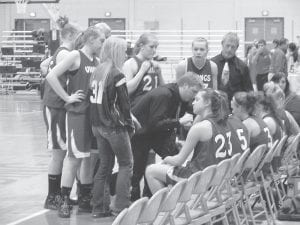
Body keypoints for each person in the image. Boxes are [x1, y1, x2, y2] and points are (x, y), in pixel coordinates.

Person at [46, 26, 105, 218]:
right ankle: (64, 200)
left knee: (89, 158)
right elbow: (51, 75)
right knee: (73, 159)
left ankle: (85, 198)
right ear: (91, 40)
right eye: (101, 41)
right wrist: (67, 97)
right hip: (78, 115)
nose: (102, 44)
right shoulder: (75, 56)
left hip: (93, 116)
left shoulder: (97, 61)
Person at [130, 73, 202, 200]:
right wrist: (179, 122)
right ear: (185, 86)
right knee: (137, 172)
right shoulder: (165, 95)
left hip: (155, 133)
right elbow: (155, 123)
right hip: (141, 134)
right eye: (194, 91)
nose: (195, 96)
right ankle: (133, 201)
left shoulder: (180, 96)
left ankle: (150, 196)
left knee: (174, 159)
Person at [145, 89, 231, 193]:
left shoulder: (200, 128)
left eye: (197, 99)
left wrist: (166, 159)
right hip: (217, 177)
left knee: (150, 170)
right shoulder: (224, 122)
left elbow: (178, 161)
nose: (193, 102)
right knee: (175, 167)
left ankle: (166, 208)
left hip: (197, 178)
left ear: (207, 103)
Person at [89, 37, 134, 217]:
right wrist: (129, 124)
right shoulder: (117, 74)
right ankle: (121, 207)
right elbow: (125, 105)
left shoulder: (97, 71)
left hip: (98, 125)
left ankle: (98, 207)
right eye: (123, 51)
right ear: (116, 51)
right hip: (113, 126)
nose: (125, 54)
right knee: (126, 164)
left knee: (104, 166)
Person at [42, 16, 81, 210]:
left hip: (57, 106)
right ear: (72, 35)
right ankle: (52, 196)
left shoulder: (60, 52)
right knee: (58, 153)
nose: (81, 37)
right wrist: (66, 97)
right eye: (79, 34)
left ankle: (57, 194)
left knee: (62, 151)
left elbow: (44, 67)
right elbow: (49, 76)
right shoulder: (66, 54)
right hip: (55, 106)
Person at [122, 33, 165, 107]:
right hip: (136, 110)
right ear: (142, 46)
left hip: (153, 109)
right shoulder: (130, 64)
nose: (154, 51)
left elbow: (163, 91)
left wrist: (160, 74)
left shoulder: (154, 65)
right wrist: (141, 72)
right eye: (151, 47)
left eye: (156, 47)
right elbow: (126, 91)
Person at [211, 32, 253, 102]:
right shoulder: (212, 64)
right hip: (215, 106)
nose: (229, 49)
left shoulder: (243, 67)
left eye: (233, 47)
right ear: (222, 44)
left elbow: (248, 91)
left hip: (235, 107)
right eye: (227, 46)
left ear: (237, 47)